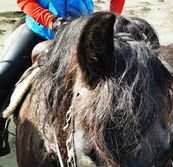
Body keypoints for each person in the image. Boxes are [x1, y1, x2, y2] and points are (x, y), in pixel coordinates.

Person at [0, 0, 126, 156]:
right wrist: (51, 20)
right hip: (40, 30)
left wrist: (113, 18)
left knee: (117, 80)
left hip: (79, 30)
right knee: (3, 77)